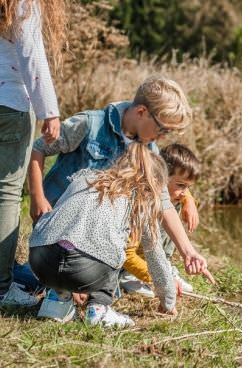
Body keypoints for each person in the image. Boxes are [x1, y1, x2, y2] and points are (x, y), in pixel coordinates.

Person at [27, 75, 210, 321]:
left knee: (87, 255)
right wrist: (37, 196)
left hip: (86, 241)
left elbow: (163, 203)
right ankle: (88, 299)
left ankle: (63, 292)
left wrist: (188, 251)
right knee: (114, 242)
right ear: (142, 112)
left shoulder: (149, 151)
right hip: (58, 224)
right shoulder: (91, 124)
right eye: (162, 128)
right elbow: (38, 148)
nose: (163, 136)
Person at [29, 143, 211, 327]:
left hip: (40, 262)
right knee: (112, 242)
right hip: (83, 269)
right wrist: (168, 300)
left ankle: (56, 299)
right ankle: (98, 309)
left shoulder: (87, 178)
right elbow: (155, 254)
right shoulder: (138, 198)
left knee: (69, 236)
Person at [0, 0, 75, 307]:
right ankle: (2, 288)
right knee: (6, 194)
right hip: (9, 104)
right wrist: (50, 111)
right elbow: (32, 58)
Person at [121, 143, 200, 296]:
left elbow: (179, 191)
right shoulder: (141, 203)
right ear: (160, 176)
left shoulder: (171, 193)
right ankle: (129, 276)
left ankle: (165, 264)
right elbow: (127, 255)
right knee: (168, 207)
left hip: (146, 257)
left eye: (188, 187)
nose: (185, 192)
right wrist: (160, 278)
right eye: (181, 185)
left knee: (173, 204)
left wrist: (189, 200)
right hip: (125, 263)